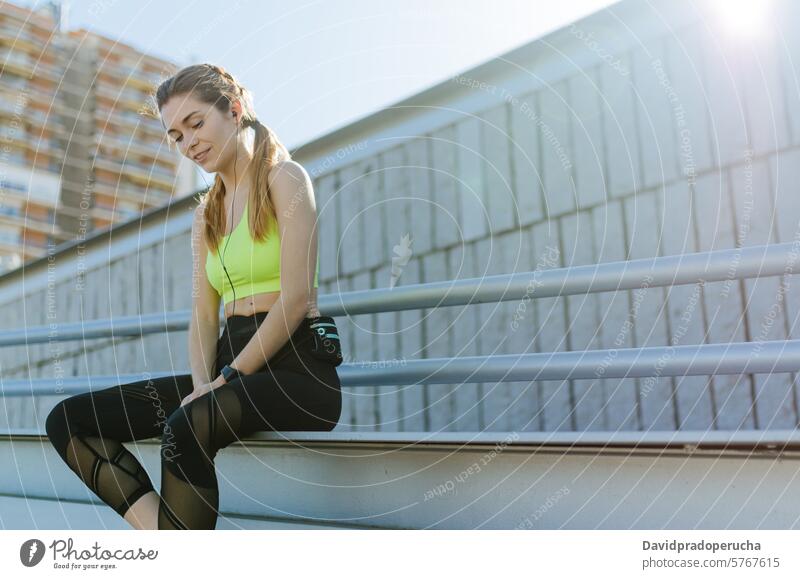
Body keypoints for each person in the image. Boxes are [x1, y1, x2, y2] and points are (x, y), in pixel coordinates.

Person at [45, 63, 343, 530]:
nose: (188, 144)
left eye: (196, 123)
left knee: (184, 427)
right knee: (69, 419)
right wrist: (204, 383)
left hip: (295, 369)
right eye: (176, 136)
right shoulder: (205, 215)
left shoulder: (285, 179)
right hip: (226, 373)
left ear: (235, 109)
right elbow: (204, 317)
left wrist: (224, 378)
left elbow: (297, 296)